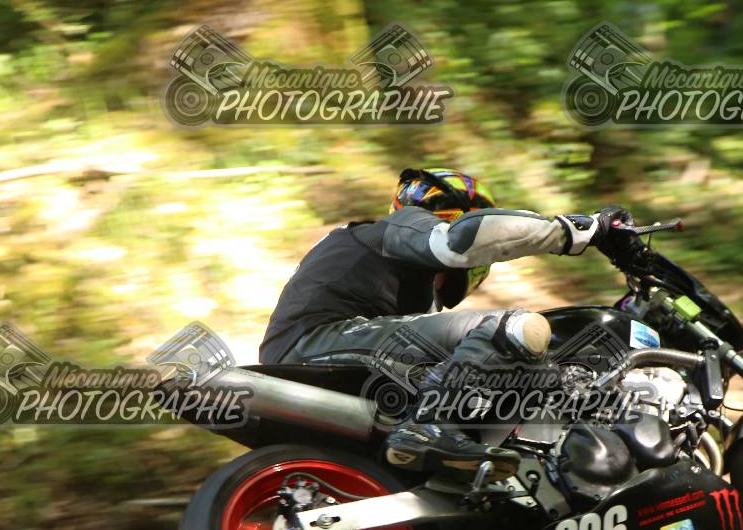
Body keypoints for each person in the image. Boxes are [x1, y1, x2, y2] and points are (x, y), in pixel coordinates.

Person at [259, 168, 628, 481]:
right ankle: (427, 428)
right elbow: (459, 242)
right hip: (315, 342)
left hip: (332, 352)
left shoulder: (407, 291)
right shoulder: (402, 225)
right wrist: (575, 230)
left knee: (513, 371)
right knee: (515, 327)